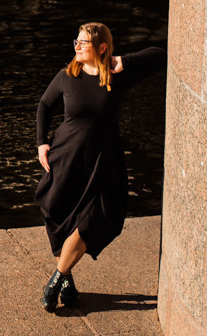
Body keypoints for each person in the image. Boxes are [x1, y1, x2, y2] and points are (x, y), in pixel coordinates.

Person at [34, 22, 165, 311]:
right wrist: (41, 142)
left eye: (84, 42)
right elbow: (44, 105)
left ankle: (55, 280)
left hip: (104, 162)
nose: (77, 46)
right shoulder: (68, 76)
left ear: (102, 47)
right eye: (76, 41)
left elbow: (160, 55)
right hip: (67, 157)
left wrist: (124, 60)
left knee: (96, 219)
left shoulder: (116, 76)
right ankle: (66, 281)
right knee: (59, 214)